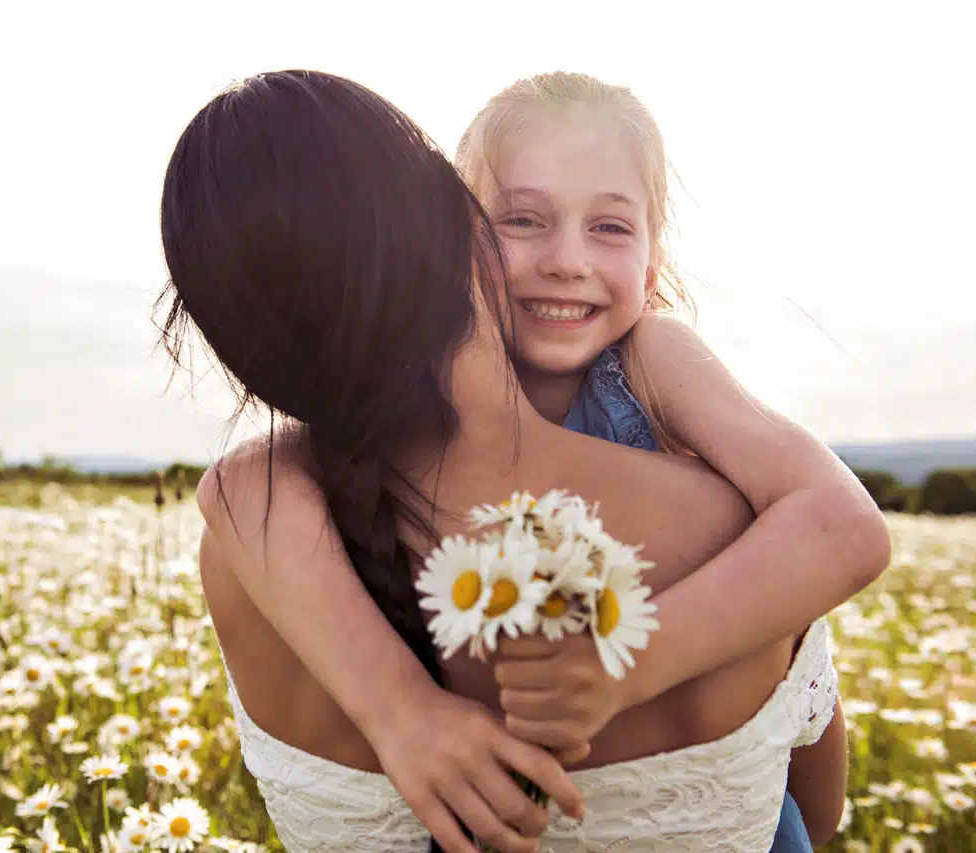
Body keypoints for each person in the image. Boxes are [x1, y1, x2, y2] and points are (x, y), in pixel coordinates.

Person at [159, 70, 864, 852]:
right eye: (523, 219)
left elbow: (844, 528)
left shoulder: (261, 521)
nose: (566, 261)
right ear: (459, 231)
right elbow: (817, 794)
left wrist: (413, 706)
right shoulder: (729, 523)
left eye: (611, 228)